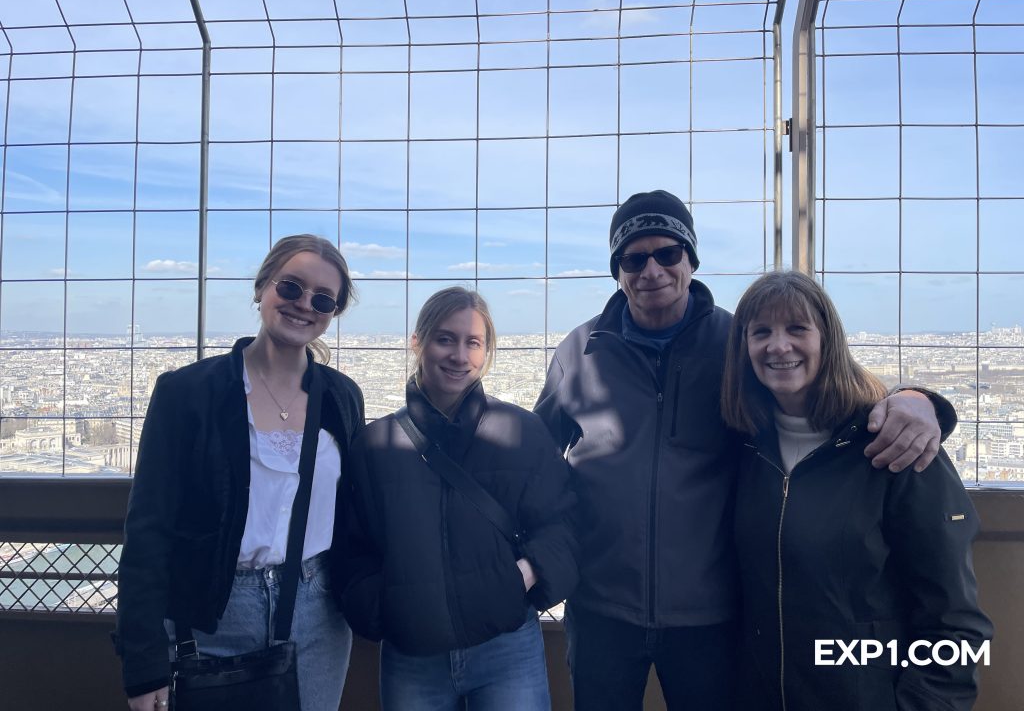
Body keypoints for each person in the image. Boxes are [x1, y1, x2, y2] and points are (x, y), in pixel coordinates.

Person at [533, 190, 955, 710]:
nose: (652, 270)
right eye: (633, 258)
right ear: (616, 270)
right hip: (601, 608)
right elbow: (535, 458)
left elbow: (825, 394)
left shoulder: (738, 341)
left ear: (691, 260)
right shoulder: (579, 350)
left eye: (668, 253)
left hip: (710, 612)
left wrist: (920, 400)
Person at [721, 270, 992, 710]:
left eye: (797, 328)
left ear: (827, 339)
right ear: (743, 347)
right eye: (761, 332)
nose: (778, 346)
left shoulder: (894, 444)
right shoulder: (743, 445)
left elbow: (956, 621)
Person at [116, 234, 365, 711]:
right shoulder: (188, 393)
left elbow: (356, 511)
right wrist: (142, 659)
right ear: (261, 288)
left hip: (318, 611)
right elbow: (148, 529)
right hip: (213, 612)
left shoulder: (341, 397)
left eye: (322, 299)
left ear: (332, 314)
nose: (303, 305)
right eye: (290, 287)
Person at [336, 286, 578, 711]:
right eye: (445, 339)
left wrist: (524, 575)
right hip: (412, 650)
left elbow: (564, 525)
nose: (459, 356)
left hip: (506, 644)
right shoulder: (374, 446)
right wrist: (382, 609)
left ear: (487, 352)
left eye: (473, 343)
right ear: (418, 342)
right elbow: (353, 548)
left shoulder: (524, 434)